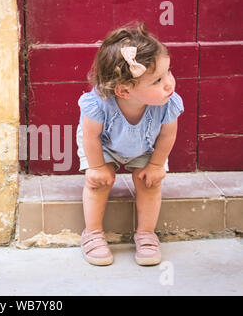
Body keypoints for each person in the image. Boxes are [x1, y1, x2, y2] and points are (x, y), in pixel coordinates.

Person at [76, 22, 184, 266]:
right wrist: (96, 167)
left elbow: (167, 136)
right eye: (157, 80)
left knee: (150, 182)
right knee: (99, 183)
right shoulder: (99, 103)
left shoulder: (169, 102)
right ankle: (92, 233)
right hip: (102, 145)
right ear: (124, 91)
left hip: (145, 147)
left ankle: (146, 234)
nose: (169, 83)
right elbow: (91, 136)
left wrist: (156, 165)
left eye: (168, 72)